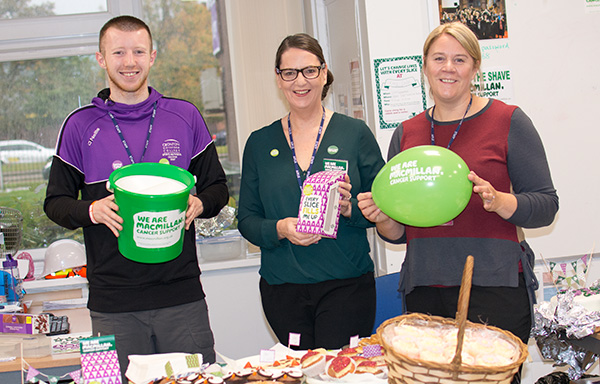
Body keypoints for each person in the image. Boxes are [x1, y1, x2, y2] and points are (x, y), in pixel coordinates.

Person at [357, 22, 558, 383]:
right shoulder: (406, 133)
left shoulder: (508, 120)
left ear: (476, 67)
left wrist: (499, 202)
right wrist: (381, 218)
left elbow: (546, 205)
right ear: (425, 66)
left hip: (494, 287)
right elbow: (400, 232)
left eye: (459, 59)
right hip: (426, 289)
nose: (448, 68)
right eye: (439, 58)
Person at [44, 15, 228, 380]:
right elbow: (55, 203)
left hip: (182, 297)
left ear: (153, 56)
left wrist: (200, 203)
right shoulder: (79, 125)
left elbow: (218, 188)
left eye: (138, 52)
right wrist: (91, 209)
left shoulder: (185, 116)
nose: (129, 62)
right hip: (112, 303)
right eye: (119, 52)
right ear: (101, 58)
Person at [237, 33, 385, 350]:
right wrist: (280, 228)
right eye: (289, 72)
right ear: (278, 78)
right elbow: (246, 219)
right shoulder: (260, 143)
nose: (299, 81)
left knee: (340, 373)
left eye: (309, 70)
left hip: (346, 284)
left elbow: (384, 206)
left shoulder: (354, 133)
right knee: (298, 373)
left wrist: (350, 209)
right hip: (283, 289)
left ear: (324, 72)